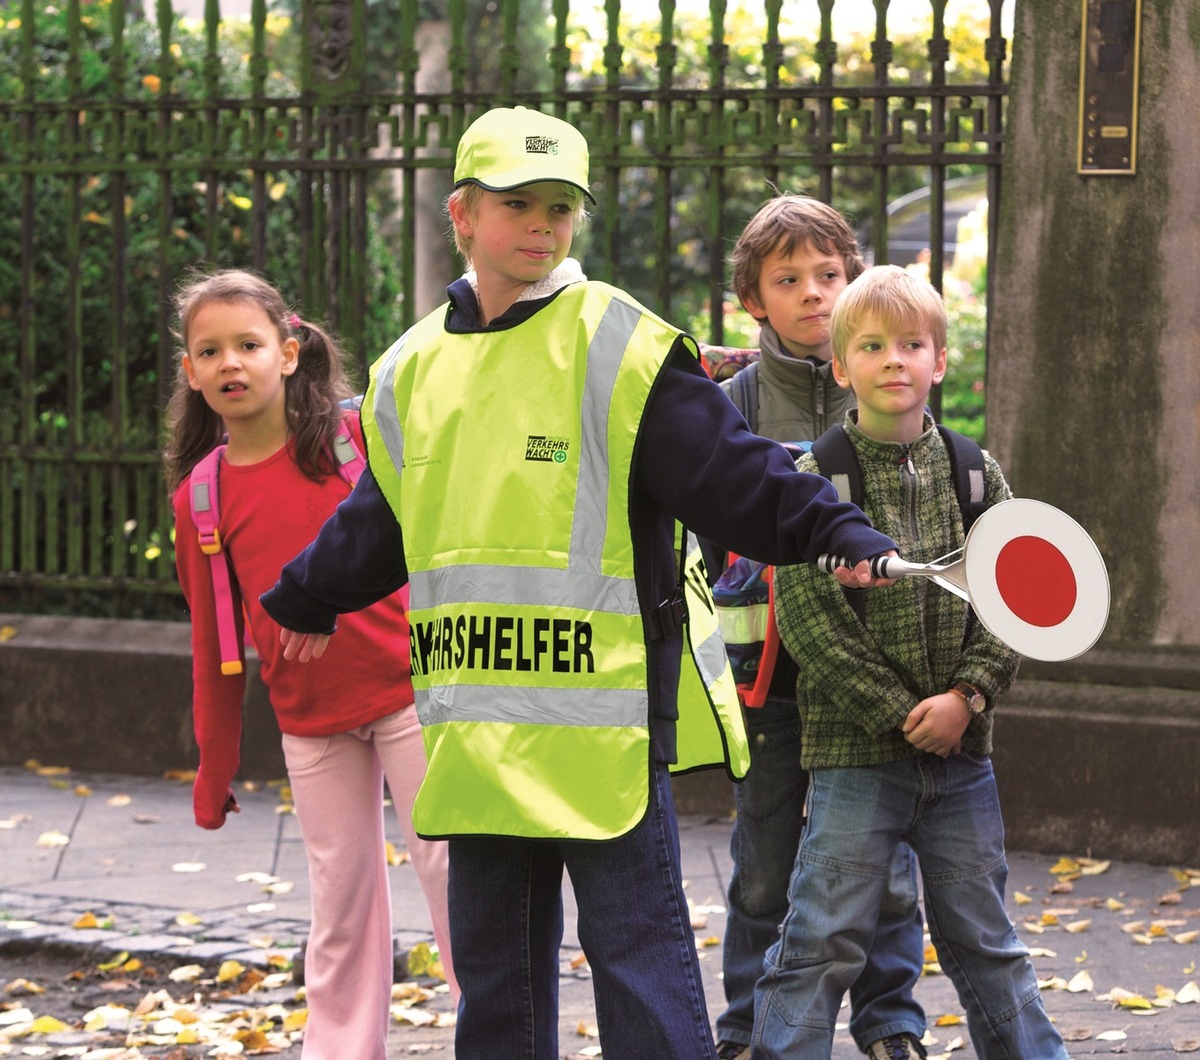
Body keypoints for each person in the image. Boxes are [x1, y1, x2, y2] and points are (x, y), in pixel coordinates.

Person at [258, 106, 899, 1060]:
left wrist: (835, 526)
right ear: (462, 213)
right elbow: (384, 516)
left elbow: (735, 474)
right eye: (518, 203)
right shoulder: (408, 370)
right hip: (476, 731)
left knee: (638, 966)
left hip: (603, 737)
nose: (543, 225)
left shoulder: (621, 346)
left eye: (560, 206)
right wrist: (307, 592)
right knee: (498, 986)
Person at [751, 265, 1068, 1059]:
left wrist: (969, 694)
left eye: (911, 344)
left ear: (939, 360)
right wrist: (899, 713)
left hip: (963, 758)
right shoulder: (815, 478)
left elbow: (1016, 600)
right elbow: (811, 624)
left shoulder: (976, 474)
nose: (894, 360)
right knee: (820, 940)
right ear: (841, 365)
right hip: (857, 761)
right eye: (872, 346)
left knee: (986, 943)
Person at [164, 269, 458, 1060]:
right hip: (310, 721)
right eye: (210, 351)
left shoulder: (351, 442)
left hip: (411, 697)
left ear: (289, 353)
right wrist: (212, 767)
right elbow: (215, 647)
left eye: (249, 345)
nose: (232, 363)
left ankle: (497, 1033)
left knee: (454, 876)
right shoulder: (201, 494)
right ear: (190, 372)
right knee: (340, 905)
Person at [708, 197, 928, 1060]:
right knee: (764, 865)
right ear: (752, 300)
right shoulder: (728, 405)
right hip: (769, 676)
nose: (814, 294)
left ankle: (890, 1022)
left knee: (888, 866)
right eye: (788, 280)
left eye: (830, 276)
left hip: (875, 679)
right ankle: (746, 1028)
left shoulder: (884, 388)